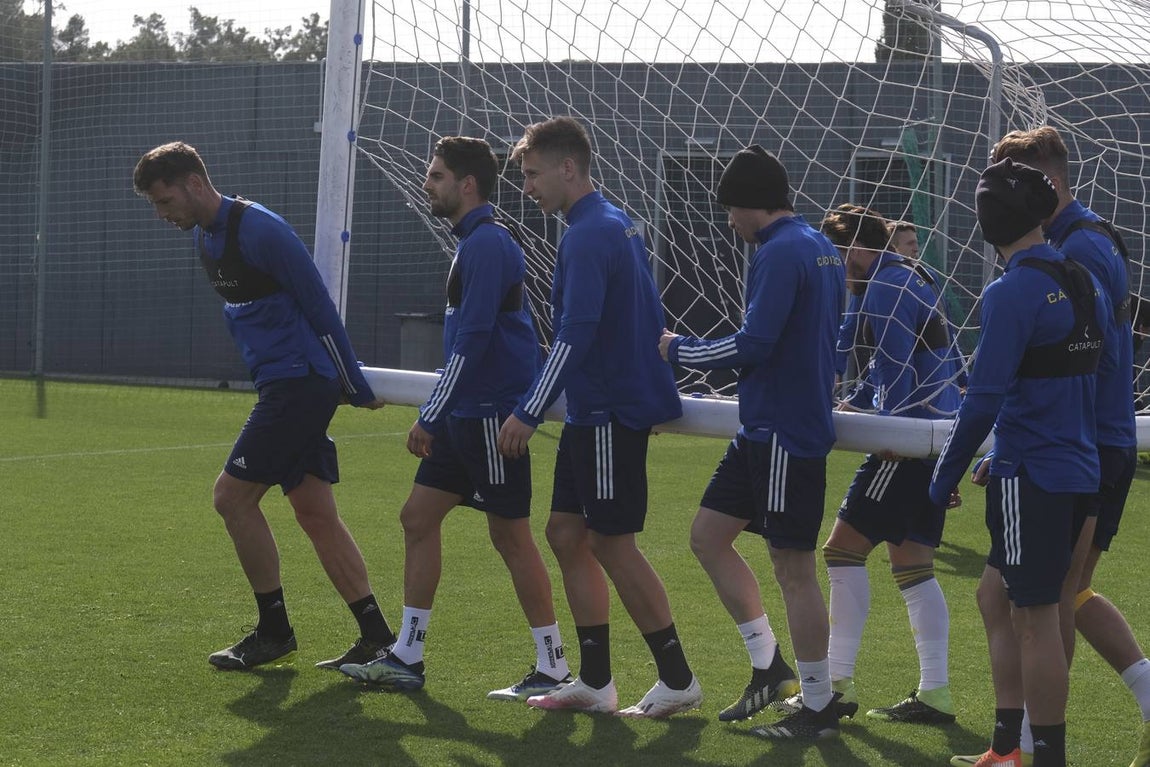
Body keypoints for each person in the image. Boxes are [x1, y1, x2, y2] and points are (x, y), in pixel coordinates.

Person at [132, 141, 397, 671]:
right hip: (282, 383)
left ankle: (274, 631)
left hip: (299, 385)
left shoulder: (261, 229)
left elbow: (318, 304)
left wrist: (352, 382)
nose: (161, 215)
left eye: (164, 201)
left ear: (193, 183)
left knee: (231, 498)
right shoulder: (206, 238)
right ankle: (379, 638)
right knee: (315, 513)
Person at [338, 136, 571, 698]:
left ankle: (555, 665)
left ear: (468, 184)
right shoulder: (472, 242)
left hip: (491, 419)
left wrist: (430, 414)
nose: (427, 183)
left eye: (437, 176)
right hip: (466, 416)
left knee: (511, 539)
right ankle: (408, 656)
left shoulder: (489, 244)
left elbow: (474, 339)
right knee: (417, 518)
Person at [951, 127, 1150, 767]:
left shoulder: (1078, 249)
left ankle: (1037, 747)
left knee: (1050, 600)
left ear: (1047, 184)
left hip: (1083, 445)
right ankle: (1019, 744)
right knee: (1014, 595)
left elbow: (1084, 362)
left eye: (1009, 180)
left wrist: (1031, 436)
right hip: (1070, 442)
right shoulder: (1074, 242)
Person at [495, 116, 702, 718]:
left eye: (533, 174)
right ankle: (595, 681)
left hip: (609, 412)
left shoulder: (591, 233)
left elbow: (576, 333)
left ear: (568, 168)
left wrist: (528, 411)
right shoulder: (606, 222)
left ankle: (677, 677)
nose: (527, 187)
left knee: (612, 543)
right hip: (594, 410)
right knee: (564, 533)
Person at [659, 145, 846, 738]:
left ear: (748, 206)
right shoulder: (820, 246)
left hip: (785, 435)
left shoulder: (780, 250)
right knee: (708, 536)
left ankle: (817, 704)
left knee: (794, 570)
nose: (729, 224)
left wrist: (677, 350)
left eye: (730, 211)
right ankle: (769, 664)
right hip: (764, 431)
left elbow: (753, 344)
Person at [812, 203, 963, 725]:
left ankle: (831, 683)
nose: (833, 263)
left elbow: (899, 372)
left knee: (841, 552)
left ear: (855, 248)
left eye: (835, 252)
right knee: (912, 562)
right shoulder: (910, 276)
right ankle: (935, 693)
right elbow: (944, 362)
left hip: (906, 438)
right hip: (933, 434)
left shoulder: (884, 286)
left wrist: (886, 425)